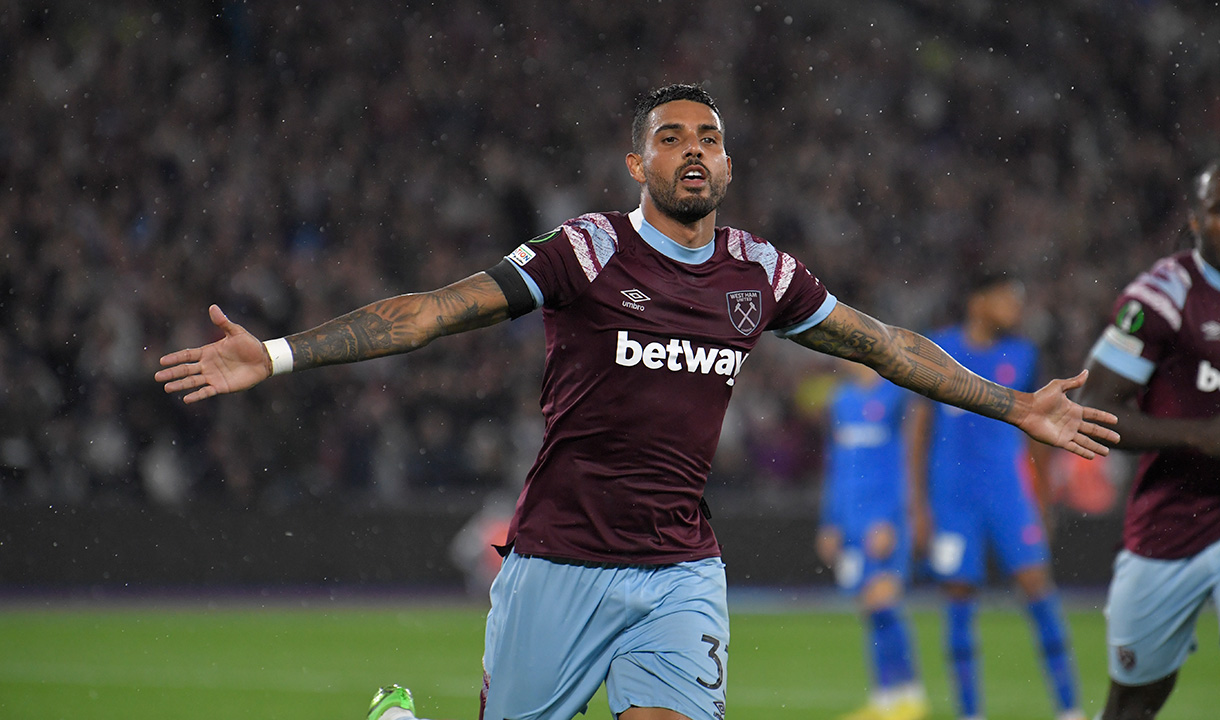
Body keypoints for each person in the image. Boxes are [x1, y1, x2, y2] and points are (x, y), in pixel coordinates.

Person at [155, 84, 1118, 720]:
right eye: (671, 139)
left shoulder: (761, 273)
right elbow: (434, 312)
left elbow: (886, 345)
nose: (693, 151)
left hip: (680, 569)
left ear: (729, 166)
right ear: (637, 166)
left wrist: (1016, 406)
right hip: (558, 562)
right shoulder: (589, 251)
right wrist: (277, 354)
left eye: (709, 138)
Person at [906, 272, 1087, 720]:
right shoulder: (939, 349)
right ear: (978, 300)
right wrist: (917, 506)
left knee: (1038, 593)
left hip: (1008, 496)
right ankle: (970, 714)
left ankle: (1071, 710)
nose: (1015, 305)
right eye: (1006, 297)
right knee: (959, 603)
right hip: (951, 501)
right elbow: (918, 434)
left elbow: (1037, 439)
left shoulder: (1023, 354)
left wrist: (1042, 499)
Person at [1076, 160, 1220, 720]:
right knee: (1132, 702)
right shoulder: (1162, 294)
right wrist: (1199, 437)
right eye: (1219, 210)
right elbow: (1095, 406)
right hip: (1171, 520)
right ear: (1195, 220)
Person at [816, 359, 927, 720]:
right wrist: (831, 521)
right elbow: (836, 464)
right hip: (851, 520)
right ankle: (890, 698)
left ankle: (906, 695)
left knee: (884, 602)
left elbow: (905, 462)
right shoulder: (840, 400)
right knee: (870, 607)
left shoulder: (894, 396)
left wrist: (893, 518)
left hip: (883, 520)